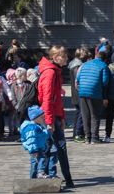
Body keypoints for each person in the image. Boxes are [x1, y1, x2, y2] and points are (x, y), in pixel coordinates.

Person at [37, 45, 74, 188]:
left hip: (55, 116)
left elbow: (57, 99)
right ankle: (65, 179)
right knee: (58, 147)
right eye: (63, 56)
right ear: (55, 57)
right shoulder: (50, 73)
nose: (66, 59)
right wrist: (50, 121)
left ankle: (47, 176)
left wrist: (62, 117)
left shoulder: (55, 71)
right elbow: (46, 99)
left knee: (51, 147)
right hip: (50, 117)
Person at [76, 51, 110, 144]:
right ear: (105, 59)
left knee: (85, 115)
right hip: (95, 92)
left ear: (96, 56)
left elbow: (78, 78)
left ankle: (87, 137)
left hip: (82, 92)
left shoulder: (85, 64)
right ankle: (94, 138)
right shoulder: (104, 66)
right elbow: (105, 82)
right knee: (94, 115)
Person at [67, 47, 90, 143]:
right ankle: (78, 133)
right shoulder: (77, 66)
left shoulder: (74, 64)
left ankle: (76, 133)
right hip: (79, 93)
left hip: (76, 93)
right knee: (81, 113)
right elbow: (78, 81)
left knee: (79, 113)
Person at [21, 105, 50, 179]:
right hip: (36, 149)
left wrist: (47, 131)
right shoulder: (32, 128)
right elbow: (31, 140)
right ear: (35, 118)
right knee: (41, 159)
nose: (43, 118)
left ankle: (33, 178)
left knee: (35, 163)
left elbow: (42, 135)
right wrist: (34, 150)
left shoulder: (37, 126)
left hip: (39, 147)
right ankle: (40, 172)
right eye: (41, 117)